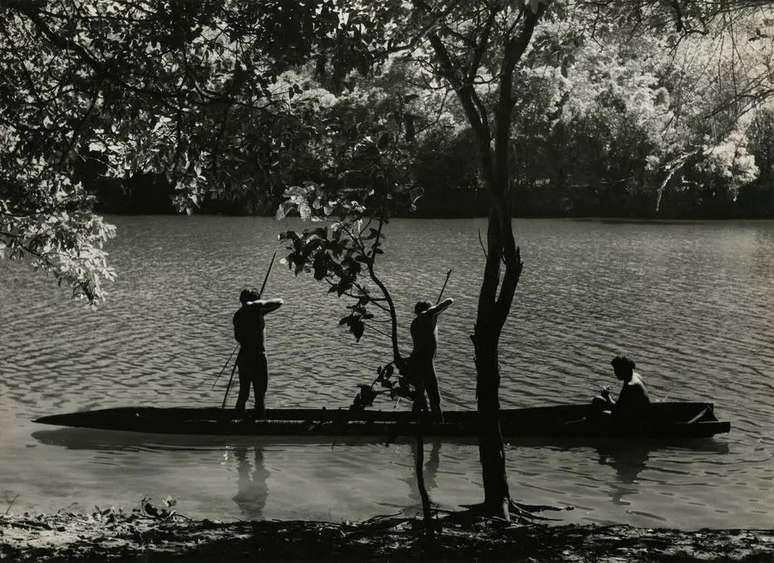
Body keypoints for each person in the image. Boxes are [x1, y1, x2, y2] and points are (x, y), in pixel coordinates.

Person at [233, 288, 283, 419]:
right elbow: (280, 302)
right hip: (257, 357)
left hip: (243, 357)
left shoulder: (239, 315)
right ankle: (259, 421)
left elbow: (238, 338)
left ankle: (240, 419)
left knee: (244, 393)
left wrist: (256, 307)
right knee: (259, 394)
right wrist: (258, 306)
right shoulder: (256, 312)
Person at [409, 297, 454, 421]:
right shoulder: (428, 316)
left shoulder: (417, 322)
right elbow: (449, 301)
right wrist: (432, 310)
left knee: (420, 395)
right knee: (434, 396)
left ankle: (416, 422)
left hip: (416, 360)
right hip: (424, 362)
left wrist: (433, 313)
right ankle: (440, 426)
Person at [591, 355, 651, 424]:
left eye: (617, 370)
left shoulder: (630, 386)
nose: (615, 373)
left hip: (635, 421)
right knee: (598, 400)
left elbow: (617, 410)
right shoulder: (636, 375)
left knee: (601, 413)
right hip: (639, 413)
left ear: (624, 369)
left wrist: (607, 396)